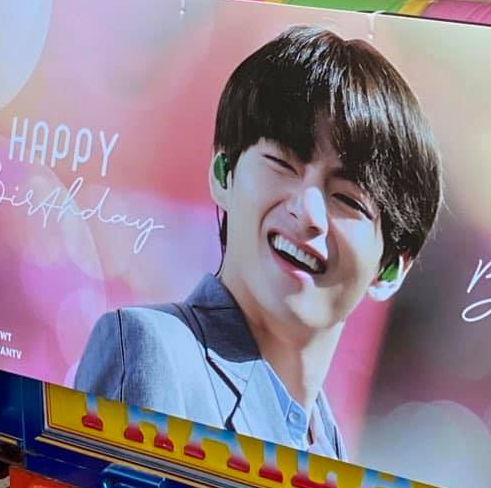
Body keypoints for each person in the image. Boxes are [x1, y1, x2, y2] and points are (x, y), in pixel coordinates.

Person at [73, 25, 442, 457]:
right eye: (282, 164)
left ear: (391, 268)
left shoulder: (331, 443)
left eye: (347, 199)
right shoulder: (152, 350)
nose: (308, 212)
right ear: (223, 175)